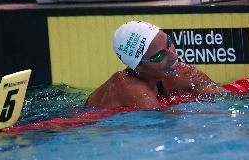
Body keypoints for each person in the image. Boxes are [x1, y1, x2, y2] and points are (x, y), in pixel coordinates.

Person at [86, 21, 224, 109]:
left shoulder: (179, 73)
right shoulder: (131, 89)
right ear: (138, 66)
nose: (174, 56)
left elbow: (225, 99)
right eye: (159, 56)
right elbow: (162, 127)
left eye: (169, 43)